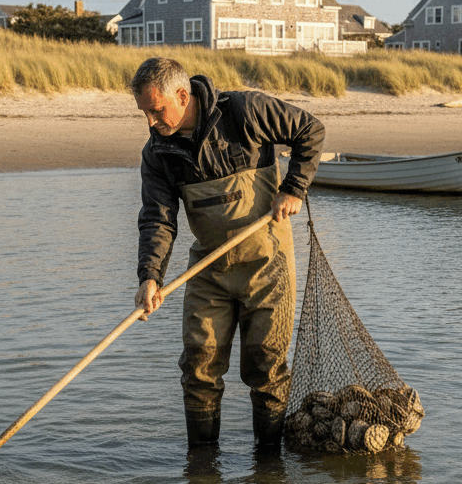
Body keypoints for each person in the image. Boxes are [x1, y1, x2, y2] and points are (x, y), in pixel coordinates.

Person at [131, 57, 324, 450]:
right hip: (209, 270)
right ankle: (202, 468)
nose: (150, 121)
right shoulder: (157, 153)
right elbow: (158, 219)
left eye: (156, 110)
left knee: (267, 367)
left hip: (267, 265)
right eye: (144, 112)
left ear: (182, 96)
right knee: (199, 370)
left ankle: (268, 469)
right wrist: (150, 276)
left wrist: (294, 188)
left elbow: (310, 130)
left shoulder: (243, 111)